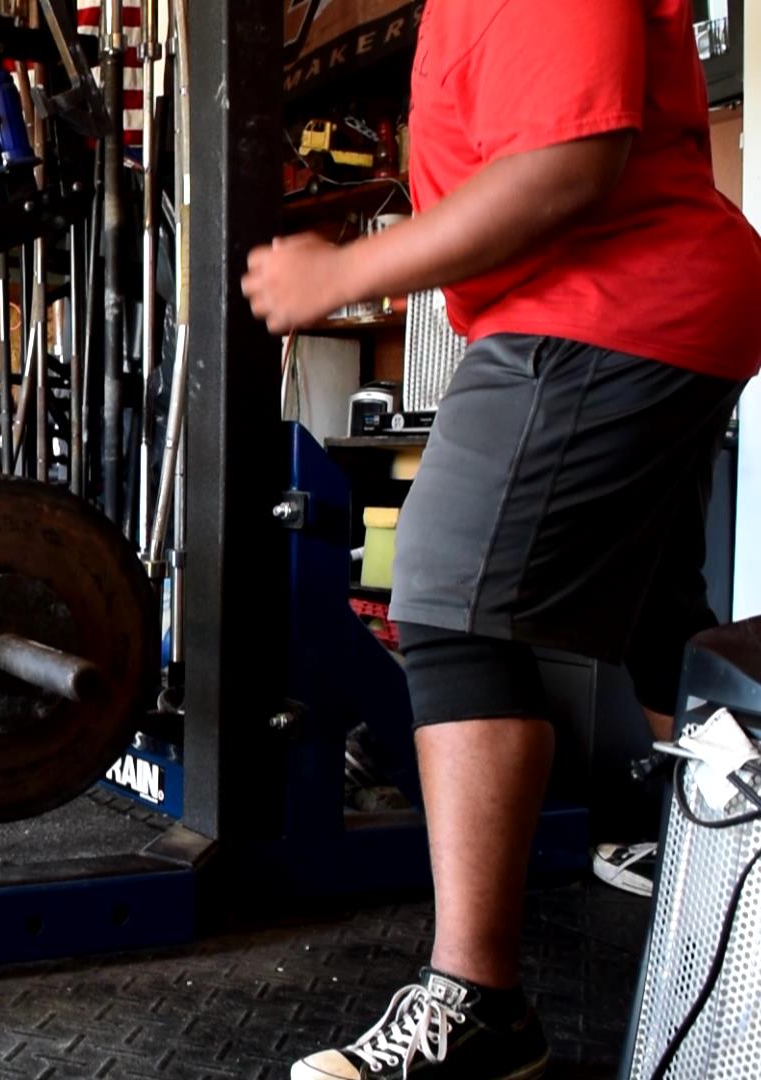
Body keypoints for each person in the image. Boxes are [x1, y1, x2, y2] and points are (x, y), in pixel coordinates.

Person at [242, 3, 761, 1077]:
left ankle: (474, 1011)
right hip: (644, 305)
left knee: (443, 603)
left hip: (600, 307)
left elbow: (563, 166)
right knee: (664, 624)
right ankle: (737, 907)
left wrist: (343, 275)